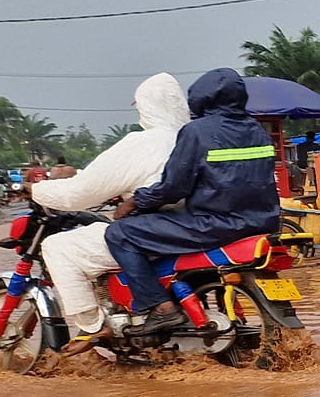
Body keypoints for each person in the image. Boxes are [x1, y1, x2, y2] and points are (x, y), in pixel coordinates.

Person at [106, 68, 281, 339]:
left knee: (119, 234)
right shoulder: (256, 129)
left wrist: (134, 202)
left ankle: (160, 307)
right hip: (263, 222)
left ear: (201, 97)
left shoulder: (196, 132)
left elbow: (174, 188)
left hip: (214, 225)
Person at [31, 74, 191, 351]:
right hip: (197, 226)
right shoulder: (194, 138)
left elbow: (79, 193)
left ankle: (91, 326)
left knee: (57, 246)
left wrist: (37, 191)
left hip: (154, 229)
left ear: (146, 107)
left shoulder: (143, 143)